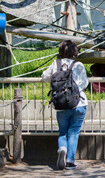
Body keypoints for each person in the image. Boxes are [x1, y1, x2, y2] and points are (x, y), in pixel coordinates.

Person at [42, 40, 88, 170]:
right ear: (74, 51)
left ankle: (62, 149)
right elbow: (84, 83)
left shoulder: (55, 64)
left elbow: (45, 77)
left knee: (63, 132)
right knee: (73, 133)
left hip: (61, 104)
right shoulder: (78, 65)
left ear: (61, 51)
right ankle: (70, 161)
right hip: (79, 103)